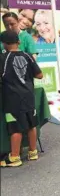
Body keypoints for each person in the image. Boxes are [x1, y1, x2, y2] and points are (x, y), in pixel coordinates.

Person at [0, 30, 43, 167]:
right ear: (18, 42)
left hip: (13, 98)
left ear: (4, 44)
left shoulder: (3, 58)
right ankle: (33, 152)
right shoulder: (27, 55)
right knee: (31, 124)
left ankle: (14, 157)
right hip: (29, 95)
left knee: (15, 127)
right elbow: (40, 75)